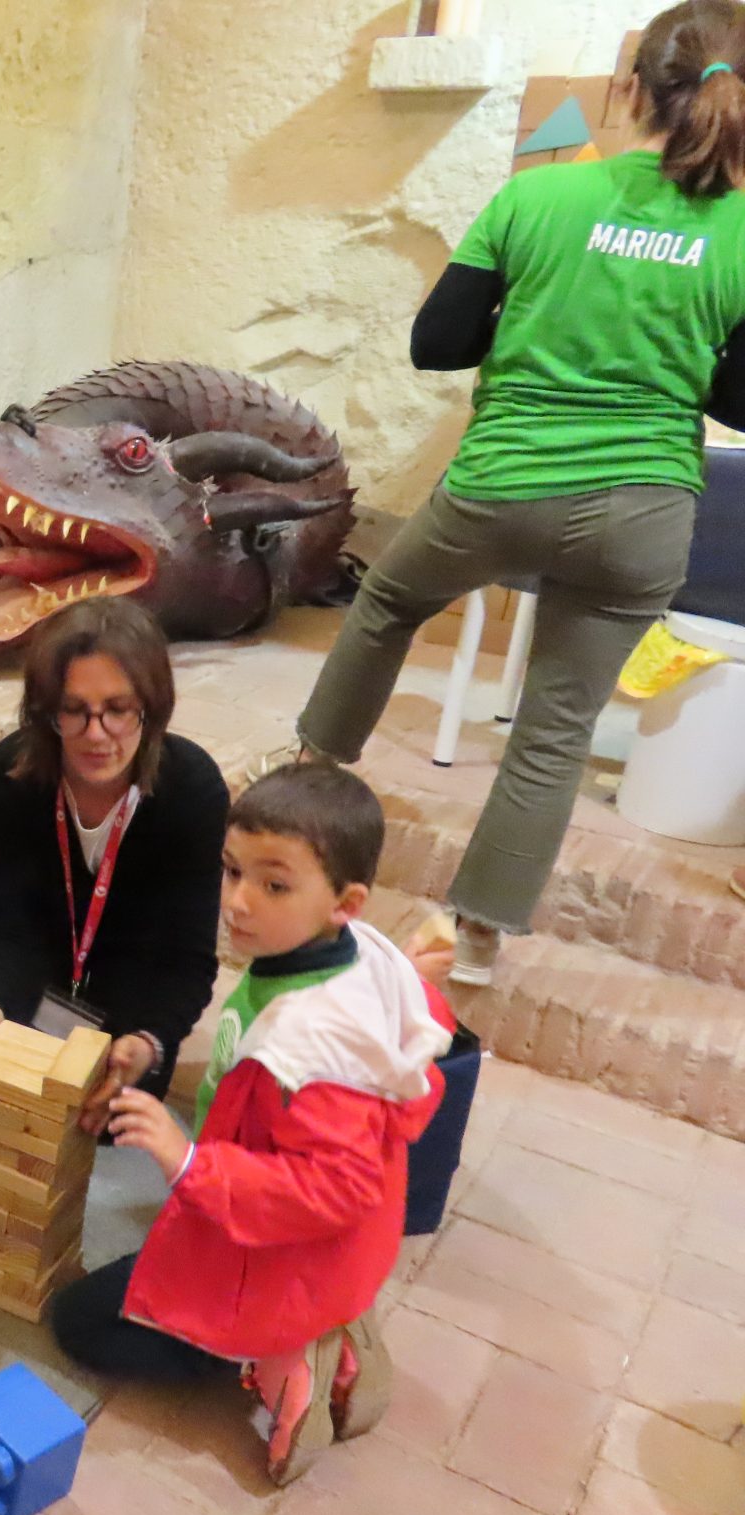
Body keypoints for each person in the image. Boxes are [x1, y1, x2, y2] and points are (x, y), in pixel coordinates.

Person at [279, 0, 745, 985]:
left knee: (387, 603)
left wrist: (538, 321)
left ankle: (306, 779)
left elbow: (435, 343)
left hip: (500, 489)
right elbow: (741, 403)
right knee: (555, 728)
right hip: (642, 512)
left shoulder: (537, 197)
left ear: (627, 89)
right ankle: (479, 936)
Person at [49, 763, 448, 1487]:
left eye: (274, 885)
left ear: (345, 903)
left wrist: (187, 1160)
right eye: (233, 871)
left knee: (79, 1323)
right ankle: (324, 1323)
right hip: (302, 1237)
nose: (237, 901)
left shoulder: (318, 1050)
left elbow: (333, 1188)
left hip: (282, 1252)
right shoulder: (350, 955)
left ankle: (278, 1356)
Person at [0, 597, 229, 1131]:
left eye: (118, 709)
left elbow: (186, 958)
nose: (96, 732)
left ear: (151, 707)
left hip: (130, 1015)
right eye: (74, 709)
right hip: (31, 995)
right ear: (45, 711)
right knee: (10, 1118)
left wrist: (146, 1043)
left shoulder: (192, 791)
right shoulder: (10, 777)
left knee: (105, 1127)